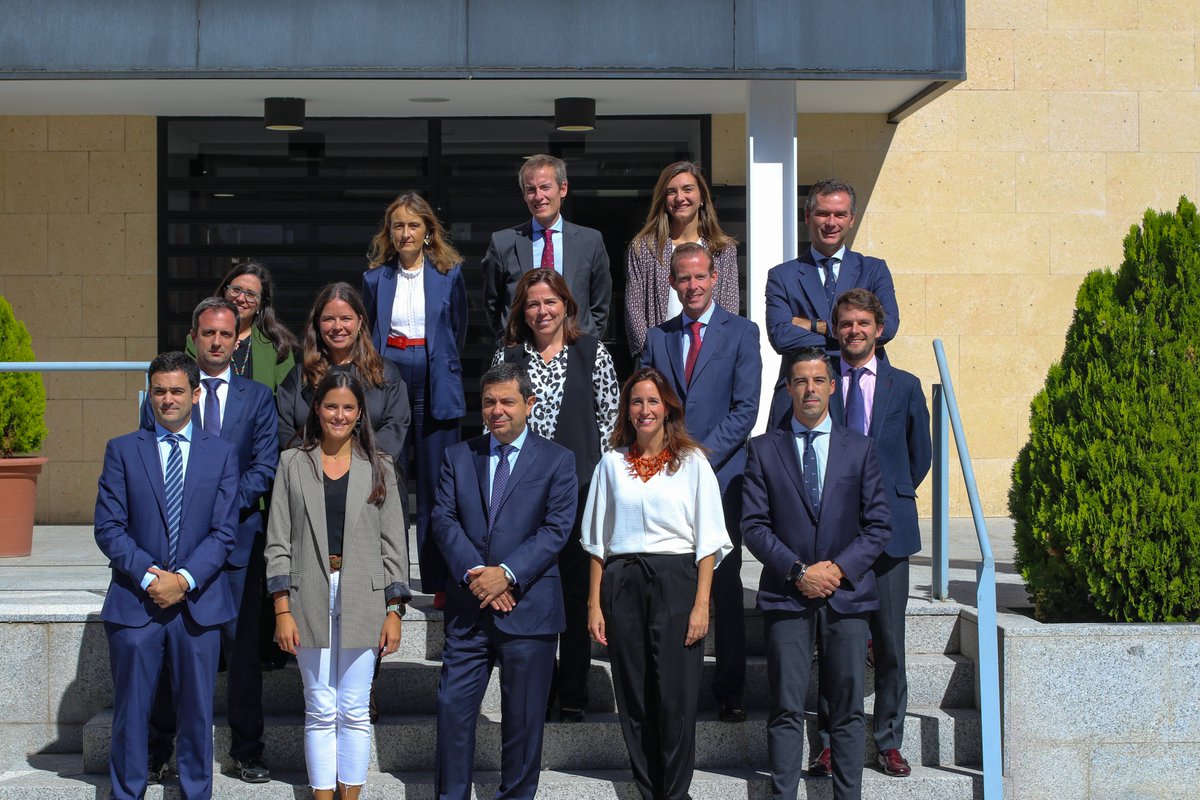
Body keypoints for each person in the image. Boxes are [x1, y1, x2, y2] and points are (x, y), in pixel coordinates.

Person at [741, 347, 892, 800]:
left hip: (847, 597)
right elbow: (753, 525)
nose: (810, 389)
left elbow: (879, 523)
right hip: (788, 596)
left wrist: (838, 570)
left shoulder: (859, 449)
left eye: (818, 381)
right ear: (788, 389)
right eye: (800, 381)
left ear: (831, 386)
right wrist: (799, 571)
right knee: (786, 706)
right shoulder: (763, 450)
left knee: (846, 710)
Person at [143, 298, 280, 785]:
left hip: (237, 549)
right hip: (174, 551)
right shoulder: (171, 393)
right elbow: (149, 465)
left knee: (241, 654)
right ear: (195, 337)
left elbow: (264, 468)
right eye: (208, 334)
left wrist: (218, 507)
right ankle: (159, 750)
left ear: (237, 337)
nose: (217, 342)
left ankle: (247, 751)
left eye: (225, 334)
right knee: (165, 651)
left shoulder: (258, 398)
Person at [94, 351, 240, 800]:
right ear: (149, 394)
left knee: (197, 715)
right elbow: (108, 526)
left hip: (198, 607)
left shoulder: (221, 453)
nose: (168, 399)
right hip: (137, 605)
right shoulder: (122, 450)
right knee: (131, 716)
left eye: (177, 390)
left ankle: (196, 793)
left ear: (195, 394)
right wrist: (150, 576)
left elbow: (224, 530)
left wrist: (185, 580)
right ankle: (127, 793)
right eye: (159, 391)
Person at [430, 363, 578, 800]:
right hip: (469, 609)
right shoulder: (459, 456)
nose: (497, 411)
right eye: (489, 402)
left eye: (507, 401)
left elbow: (556, 529)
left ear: (529, 405)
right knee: (452, 710)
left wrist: (507, 576)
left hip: (528, 609)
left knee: (523, 721)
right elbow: (443, 519)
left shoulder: (558, 460)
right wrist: (480, 577)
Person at [583, 367, 732, 800]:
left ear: (667, 407)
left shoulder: (693, 463)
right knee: (634, 691)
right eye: (636, 401)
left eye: (652, 401)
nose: (644, 409)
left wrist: (702, 604)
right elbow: (596, 541)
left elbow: (708, 541)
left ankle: (675, 790)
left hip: (677, 580)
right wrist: (594, 603)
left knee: (676, 694)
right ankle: (648, 788)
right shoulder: (611, 464)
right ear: (626, 410)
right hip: (623, 580)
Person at [265, 371, 411, 800]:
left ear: (360, 412)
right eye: (331, 406)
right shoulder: (292, 462)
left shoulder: (379, 466)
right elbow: (277, 539)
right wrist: (281, 608)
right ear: (317, 408)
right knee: (320, 708)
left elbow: (394, 545)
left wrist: (394, 610)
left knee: (353, 709)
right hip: (308, 591)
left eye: (348, 407)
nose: (339, 415)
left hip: (364, 594)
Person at [807, 288, 932, 779]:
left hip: (890, 535)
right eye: (846, 324)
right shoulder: (820, 382)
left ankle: (889, 740)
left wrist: (887, 499)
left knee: (890, 642)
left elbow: (917, 456)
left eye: (863, 323)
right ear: (835, 331)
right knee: (835, 643)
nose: (854, 331)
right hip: (833, 535)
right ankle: (831, 743)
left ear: (879, 329)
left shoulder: (905, 385)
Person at [639, 242, 761, 722]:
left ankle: (729, 689)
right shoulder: (658, 337)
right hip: (668, 477)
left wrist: (699, 458)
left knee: (724, 584)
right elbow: (650, 405)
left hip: (721, 476)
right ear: (672, 282)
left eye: (700, 277)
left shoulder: (742, 333)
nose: (692, 286)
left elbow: (745, 408)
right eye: (683, 278)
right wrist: (671, 461)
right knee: (672, 580)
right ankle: (675, 687)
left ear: (715, 279)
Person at [492, 268, 619, 722]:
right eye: (532, 304)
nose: (542, 311)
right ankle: (538, 689)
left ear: (566, 304)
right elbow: (499, 418)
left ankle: (574, 693)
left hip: (580, 491)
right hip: (523, 496)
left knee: (575, 592)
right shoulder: (507, 357)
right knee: (530, 592)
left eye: (550, 302)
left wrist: (602, 483)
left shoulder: (593, 352)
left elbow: (610, 421)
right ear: (521, 312)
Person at [363, 191, 468, 608]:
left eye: (413, 225)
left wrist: (437, 363)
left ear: (428, 232)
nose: (405, 233)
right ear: (389, 233)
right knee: (386, 477)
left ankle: (439, 582)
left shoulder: (450, 273)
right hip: (389, 373)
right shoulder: (374, 278)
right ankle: (389, 581)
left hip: (435, 376)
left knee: (436, 484)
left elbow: (456, 329)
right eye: (398, 226)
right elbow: (368, 331)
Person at [764, 178, 901, 427]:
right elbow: (781, 336)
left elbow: (888, 327)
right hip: (803, 397)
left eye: (840, 214)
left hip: (864, 391)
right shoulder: (782, 276)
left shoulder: (873, 270)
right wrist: (854, 337)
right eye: (823, 213)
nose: (831, 223)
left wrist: (816, 326)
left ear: (852, 219)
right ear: (808, 217)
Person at [276, 282, 410, 469]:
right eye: (329, 319)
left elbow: (395, 425)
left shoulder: (385, 373)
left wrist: (357, 462)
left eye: (346, 318)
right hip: (311, 473)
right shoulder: (299, 376)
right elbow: (281, 426)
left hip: (372, 474)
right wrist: (311, 462)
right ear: (317, 323)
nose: (337, 327)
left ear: (360, 322)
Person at [483, 153, 612, 340]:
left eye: (545, 187)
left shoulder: (590, 241)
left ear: (563, 189)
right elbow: (492, 303)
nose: (538, 196)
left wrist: (588, 343)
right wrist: (508, 338)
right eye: (531, 190)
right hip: (521, 350)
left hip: (576, 348)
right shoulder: (503, 243)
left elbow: (600, 304)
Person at [625, 161, 740, 357]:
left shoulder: (722, 249)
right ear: (663, 199)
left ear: (702, 196)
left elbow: (730, 307)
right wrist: (652, 353)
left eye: (688, 189)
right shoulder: (644, 247)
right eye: (671, 192)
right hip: (659, 357)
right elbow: (633, 309)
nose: (680, 198)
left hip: (710, 356)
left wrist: (717, 354)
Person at [186, 260, 297, 393]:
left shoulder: (278, 344)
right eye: (236, 290)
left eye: (251, 294)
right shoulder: (198, 340)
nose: (240, 298)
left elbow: (286, 400)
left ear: (260, 305)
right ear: (224, 293)